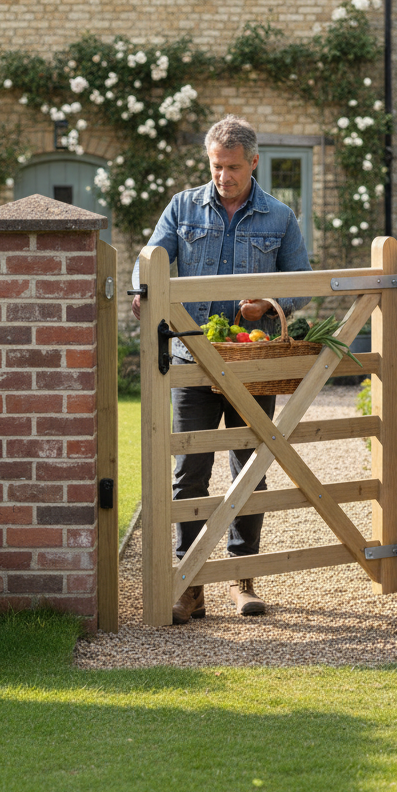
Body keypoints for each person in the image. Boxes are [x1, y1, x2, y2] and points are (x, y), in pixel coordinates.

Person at [132, 115, 311, 624]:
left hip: (253, 365)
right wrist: (142, 289)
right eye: (216, 166)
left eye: (233, 167)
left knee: (249, 471)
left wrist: (270, 301)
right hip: (191, 362)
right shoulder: (182, 206)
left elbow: (301, 281)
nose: (223, 177)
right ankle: (188, 584)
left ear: (254, 163)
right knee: (188, 473)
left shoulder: (279, 217)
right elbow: (150, 259)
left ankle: (242, 578)